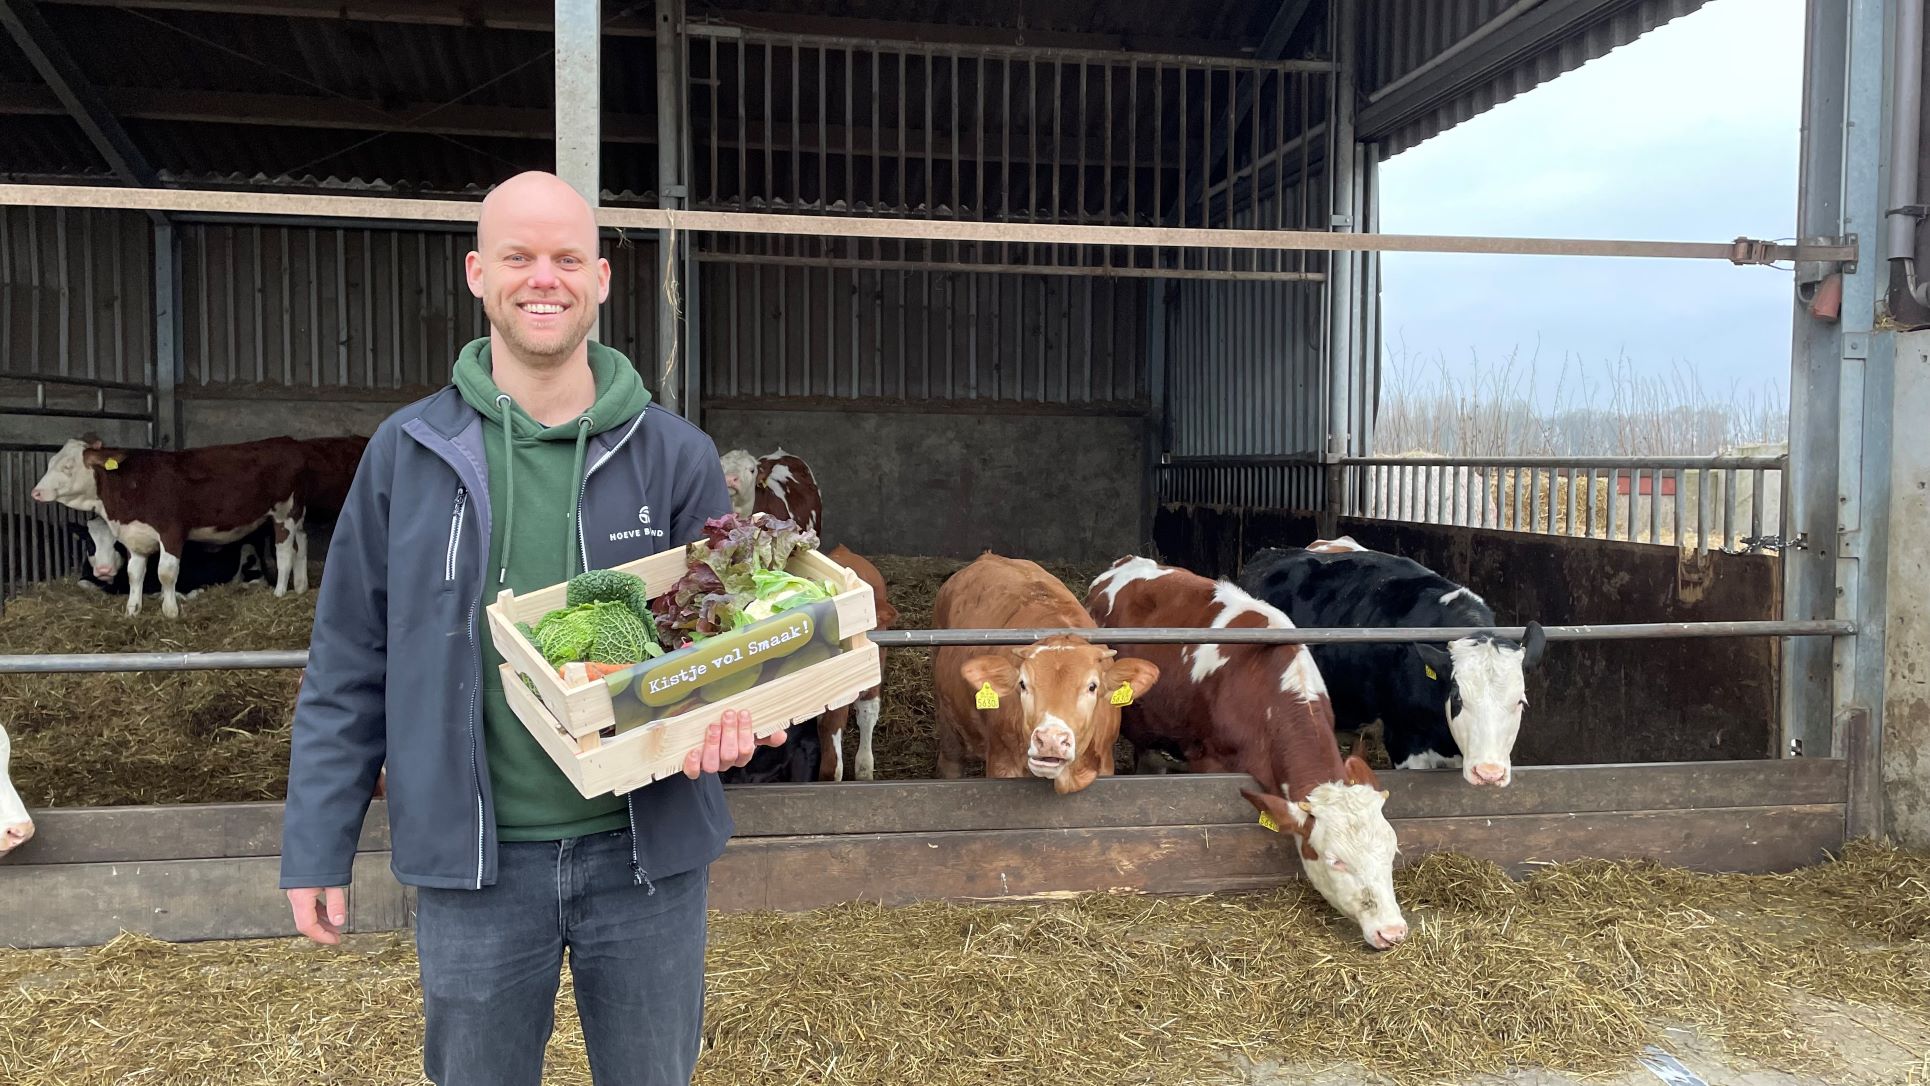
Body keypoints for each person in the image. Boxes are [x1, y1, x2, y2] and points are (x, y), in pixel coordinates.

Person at [279, 170, 783, 1086]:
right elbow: (350, 658)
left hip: (644, 856)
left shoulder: (675, 454)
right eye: (518, 257)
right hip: (475, 865)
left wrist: (739, 713)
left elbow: (723, 641)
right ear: (477, 273)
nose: (541, 278)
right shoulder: (408, 453)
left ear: (600, 281)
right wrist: (319, 841)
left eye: (566, 259)